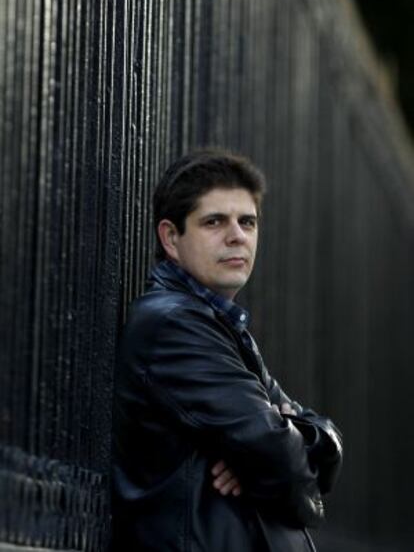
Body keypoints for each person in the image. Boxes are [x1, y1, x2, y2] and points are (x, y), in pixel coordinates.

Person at [111, 148, 342, 551]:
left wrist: (289, 442)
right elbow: (277, 455)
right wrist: (276, 453)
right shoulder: (174, 323)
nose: (237, 235)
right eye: (214, 221)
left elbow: (293, 439)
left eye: (247, 221)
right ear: (171, 237)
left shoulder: (220, 324)